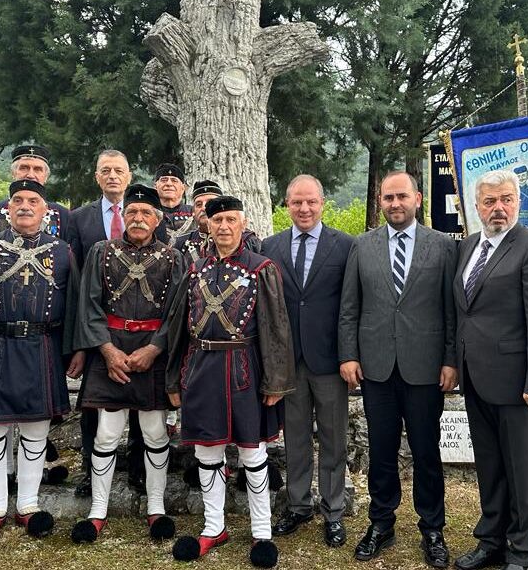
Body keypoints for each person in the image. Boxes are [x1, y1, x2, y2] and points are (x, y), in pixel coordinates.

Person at [164, 195, 295, 568]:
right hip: (201, 368)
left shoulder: (261, 268)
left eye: (230, 220)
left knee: (253, 454)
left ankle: (262, 531)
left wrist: (275, 382)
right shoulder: (196, 271)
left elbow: (276, 329)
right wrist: (175, 377)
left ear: (243, 223)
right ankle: (213, 527)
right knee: (207, 452)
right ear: (207, 224)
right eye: (217, 220)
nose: (223, 226)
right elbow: (178, 331)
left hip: (245, 369)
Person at [338, 171, 457, 568]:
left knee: (426, 451)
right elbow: (349, 307)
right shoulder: (363, 245)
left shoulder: (442, 246)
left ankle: (433, 527)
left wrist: (450, 359)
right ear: (381, 201)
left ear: (418, 199)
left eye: (402, 196)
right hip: (376, 367)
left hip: (425, 368)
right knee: (382, 450)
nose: (395, 203)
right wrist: (349, 355)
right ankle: (381, 522)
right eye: (388, 197)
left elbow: (451, 309)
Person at [452, 169, 528, 570]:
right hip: (477, 378)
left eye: (506, 200)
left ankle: (522, 550)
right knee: (490, 464)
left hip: (521, 383)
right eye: (489, 201)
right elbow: (464, 312)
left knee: (522, 469)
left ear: (517, 202)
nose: (498, 208)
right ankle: (491, 541)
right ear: (477, 206)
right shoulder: (467, 248)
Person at [0, 180, 83, 543]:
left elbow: (74, 304)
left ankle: (28, 505)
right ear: (7, 208)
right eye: (18, 200)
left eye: (33, 201)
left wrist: (75, 349)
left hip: (43, 346)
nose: (25, 206)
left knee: (36, 429)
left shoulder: (62, 252)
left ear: (46, 210)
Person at [70, 184, 186, 543]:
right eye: (132, 212)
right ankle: (98, 510)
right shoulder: (100, 253)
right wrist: (107, 350)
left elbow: (177, 312)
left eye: (145, 214)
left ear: (158, 220)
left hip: (153, 352)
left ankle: (156, 507)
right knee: (106, 432)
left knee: (153, 432)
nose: (138, 218)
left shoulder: (173, 258)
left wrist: (154, 349)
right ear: (123, 216)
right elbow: (88, 306)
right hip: (112, 351)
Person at [263, 175, 354, 548]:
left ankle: (333, 510)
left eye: (311, 202)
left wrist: (350, 356)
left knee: (334, 439)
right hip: (290, 363)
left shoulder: (346, 246)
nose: (304, 209)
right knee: (296, 438)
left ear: (322, 203)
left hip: (331, 361)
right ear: (286, 204)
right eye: (297, 202)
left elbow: (351, 306)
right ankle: (298, 505)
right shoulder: (270, 247)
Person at [66, 149, 146, 498]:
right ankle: (90, 470)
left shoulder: (143, 216)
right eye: (106, 171)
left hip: (140, 328)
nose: (113, 176)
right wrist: (83, 343)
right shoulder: (78, 218)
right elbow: (74, 282)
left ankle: (140, 471)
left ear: (129, 176)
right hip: (97, 327)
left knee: (144, 405)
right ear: (96, 177)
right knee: (92, 404)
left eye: (119, 170)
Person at [0, 145, 71, 240]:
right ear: (13, 173)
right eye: (24, 168)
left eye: (37, 169)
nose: (30, 175)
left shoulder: (63, 216)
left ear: (46, 176)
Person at [175, 179, 261, 262]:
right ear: (193, 212)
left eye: (210, 202)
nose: (204, 208)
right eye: (198, 204)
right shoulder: (182, 243)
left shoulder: (248, 240)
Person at [153, 162, 194, 244]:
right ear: (155, 186)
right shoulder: (149, 214)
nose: (169, 183)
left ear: (183, 188)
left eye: (174, 180)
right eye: (164, 180)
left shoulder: (194, 213)